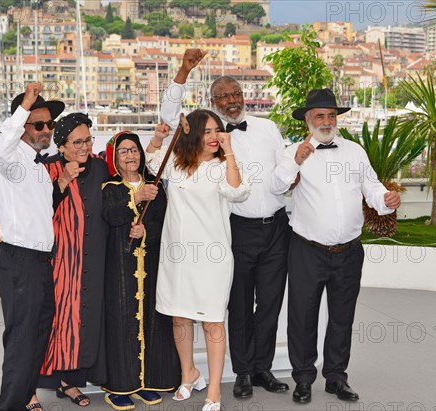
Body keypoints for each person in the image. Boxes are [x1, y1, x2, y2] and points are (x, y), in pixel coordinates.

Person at [161, 49, 291, 400]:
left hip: (277, 226)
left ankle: (263, 368)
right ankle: (243, 371)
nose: (232, 101)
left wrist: (293, 176)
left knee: (270, 302)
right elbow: (169, 117)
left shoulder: (267, 128)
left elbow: (283, 168)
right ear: (213, 101)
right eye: (224, 97)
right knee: (237, 305)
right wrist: (183, 72)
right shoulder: (209, 143)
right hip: (237, 229)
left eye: (236, 94)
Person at [270, 88, 402, 404]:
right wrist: (296, 161)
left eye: (331, 115)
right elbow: (276, 187)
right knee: (302, 317)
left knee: (342, 317)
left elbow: (371, 186)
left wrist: (385, 200)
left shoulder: (355, 151)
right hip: (307, 250)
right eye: (320, 116)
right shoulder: (293, 152)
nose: (326, 121)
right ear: (308, 119)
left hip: (349, 251)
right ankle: (303, 379)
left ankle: (336, 378)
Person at [146, 109, 250, 411]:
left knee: (212, 324)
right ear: (192, 135)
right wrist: (157, 138)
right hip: (176, 258)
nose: (214, 136)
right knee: (179, 317)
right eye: (206, 131)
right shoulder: (176, 165)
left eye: (217, 130)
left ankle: (214, 390)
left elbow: (238, 191)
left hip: (212, 258)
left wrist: (230, 152)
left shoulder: (222, 167)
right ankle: (189, 374)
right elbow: (152, 160)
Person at [0, 82, 64, 411]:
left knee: (37, 340)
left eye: (49, 124)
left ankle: (20, 402)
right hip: (20, 262)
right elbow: (1, 147)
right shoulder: (10, 158)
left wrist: (60, 186)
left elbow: (38, 210)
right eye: (38, 124)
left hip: (39, 264)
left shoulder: (37, 165)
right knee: (22, 346)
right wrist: (26, 104)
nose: (46, 129)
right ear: (21, 127)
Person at [99, 128, 181, 411]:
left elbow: (164, 224)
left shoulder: (155, 187)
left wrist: (147, 231)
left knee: (152, 322)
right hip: (120, 269)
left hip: (151, 267)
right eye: (124, 151)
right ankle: (121, 386)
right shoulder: (110, 188)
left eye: (134, 149)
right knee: (122, 322)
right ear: (115, 157)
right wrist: (133, 200)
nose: (130, 155)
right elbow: (109, 216)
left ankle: (147, 381)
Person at [36, 113, 109, 407]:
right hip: (59, 262)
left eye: (88, 140)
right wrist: (63, 182)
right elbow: (38, 211)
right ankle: (41, 382)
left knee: (83, 322)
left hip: (93, 260)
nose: (84, 146)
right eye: (77, 142)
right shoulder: (46, 169)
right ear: (61, 146)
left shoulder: (101, 168)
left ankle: (70, 382)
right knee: (55, 323)